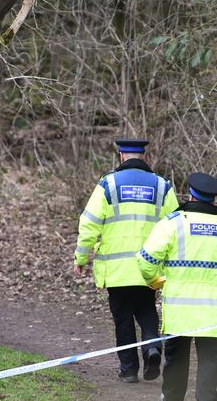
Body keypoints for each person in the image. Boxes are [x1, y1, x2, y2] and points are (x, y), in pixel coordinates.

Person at [137, 172, 217, 401]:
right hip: (216, 308)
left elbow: (146, 259)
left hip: (182, 305)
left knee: (176, 357)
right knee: (210, 360)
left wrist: (156, 281)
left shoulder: (173, 223)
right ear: (213, 199)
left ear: (190, 195)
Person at [74, 139, 179, 383]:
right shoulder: (162, 186)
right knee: (146, 310)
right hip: (149, 268)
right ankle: (152, 348)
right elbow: (175, 225)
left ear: (121, 156)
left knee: (123, 318)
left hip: (117, 268)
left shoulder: (108, 184)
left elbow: (89, 223)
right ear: (144, 155)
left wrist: (81, 257)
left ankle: (129, 369)